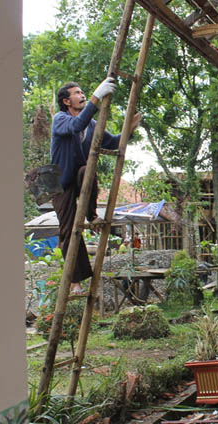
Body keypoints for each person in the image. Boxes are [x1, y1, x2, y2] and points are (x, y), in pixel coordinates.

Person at [51, 78, 142, 295]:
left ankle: (91, 214)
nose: (82, 95)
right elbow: (76, 125)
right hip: (60, 182)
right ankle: (75, 282)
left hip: (80, 177)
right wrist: (96, 96)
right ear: (66, 101)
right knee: (68, 231)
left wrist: (129, 128)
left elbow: (113, 142)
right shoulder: (60, 119)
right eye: (77, 93)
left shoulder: (93, 126)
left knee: (87, 170)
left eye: (83, 92)